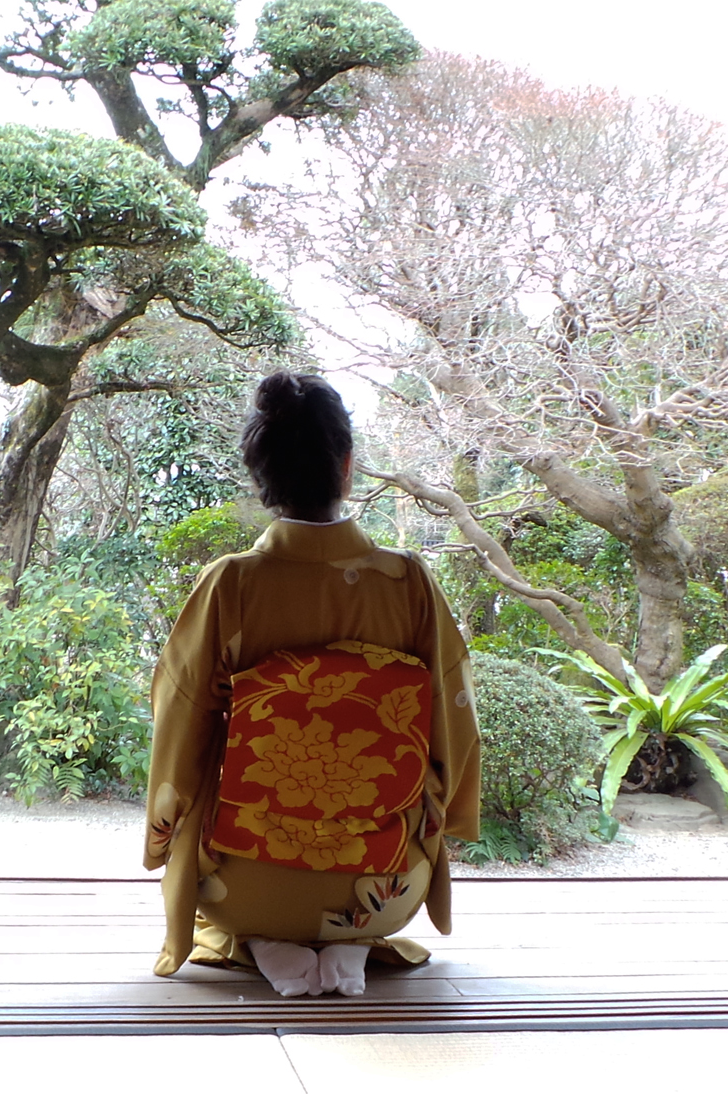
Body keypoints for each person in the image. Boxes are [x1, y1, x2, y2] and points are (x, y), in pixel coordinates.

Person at [143, 370, 480, 996]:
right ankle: (349, 940)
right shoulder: (407, 585)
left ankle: (268, 937)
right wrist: (431, 813)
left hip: (243, 884)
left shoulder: (231, 584)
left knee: (206, 808)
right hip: (382, 884)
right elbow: (452, 727)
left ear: (261, 474)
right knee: (402, 813)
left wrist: (168, 838)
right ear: (346, 466)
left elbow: (178, 726)